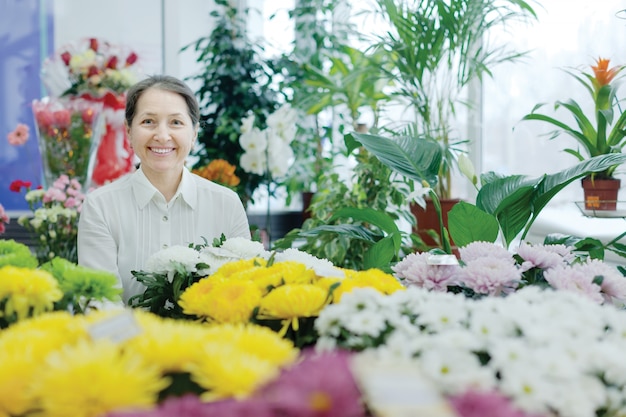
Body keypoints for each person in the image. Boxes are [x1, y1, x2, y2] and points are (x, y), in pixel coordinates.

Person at [78, 74, 251, 305]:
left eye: (176, 122)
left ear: (194, 133)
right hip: (127, 341)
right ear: (129, 131)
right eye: (148, 121)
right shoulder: (100, 207)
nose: (161, 135)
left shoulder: (227, 204)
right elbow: (100, 304)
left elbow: (242, 293)